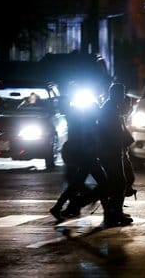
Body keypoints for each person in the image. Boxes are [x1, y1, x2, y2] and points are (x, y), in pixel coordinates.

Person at [50, 87, 109, 221]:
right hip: (89, 158)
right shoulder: (89, 124)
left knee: (77, 184)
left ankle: (59, 207)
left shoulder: (86, 122)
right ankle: (105, 211)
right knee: (103, 184)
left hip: (87, 158)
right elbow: (89, 142)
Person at [97, 82, 134, 227]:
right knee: (119, 182)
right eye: (122, 94)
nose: (123, 97)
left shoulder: (112, 108)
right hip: (110, 151)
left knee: (118, 182)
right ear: (117, 94)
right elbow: (113, 132)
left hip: (112, 150)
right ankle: (114, 213)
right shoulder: (110, 109)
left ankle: (112, 212)